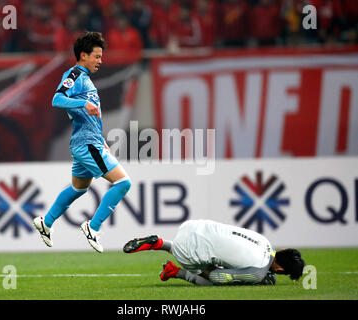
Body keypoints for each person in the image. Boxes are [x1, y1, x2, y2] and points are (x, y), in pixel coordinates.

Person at [33, 32, 131, 253]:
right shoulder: (75, 74)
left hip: (87, 142)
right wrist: (84, 104)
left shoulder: (84, 78)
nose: (100, 60)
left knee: (79, 188)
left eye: (101, 56)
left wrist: (101, 139)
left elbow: (87, 116)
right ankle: (92, 226)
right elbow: (56, 99)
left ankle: (46, 222)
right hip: (87, 144)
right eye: (96, 56)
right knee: (123, 183)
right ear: (83, 55)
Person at [123, 219, 305, 286]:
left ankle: (162, 246)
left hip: (193, 225)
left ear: (281, 250)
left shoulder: (264, 240)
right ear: (281, 270)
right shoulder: (257, 272)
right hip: (190, 251)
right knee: (213, 281)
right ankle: (175, 270)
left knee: (212, 254)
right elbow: (218, 277)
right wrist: (250, 281)